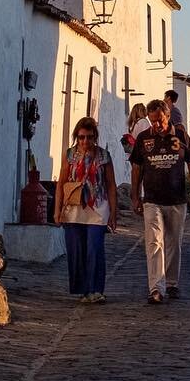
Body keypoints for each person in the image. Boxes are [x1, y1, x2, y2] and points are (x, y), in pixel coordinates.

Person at [130, 97, 190, 304]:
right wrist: (135, 195)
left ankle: (171, 283)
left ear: (168, 117)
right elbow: (136, 167)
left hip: (177, 199)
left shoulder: (180, 136)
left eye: (160, 120)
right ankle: (156, 287)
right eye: (152, 120)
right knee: (154, 242)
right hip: (152, 199)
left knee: (173, 243)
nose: (156, 125)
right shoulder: (144, 138)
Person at [53, 116, 118, 303]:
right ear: (76, 137)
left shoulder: (104, 156)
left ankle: (96, 289)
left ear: (94, 137)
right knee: (76, 250)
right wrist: (57, 210)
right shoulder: (69, 155)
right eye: (81, 137)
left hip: (97, 207)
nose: (85, 141)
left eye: (89, 137)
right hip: (73, 208)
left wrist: (113, 212)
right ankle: (83, 289)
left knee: (94, 248)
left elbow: (111, 185)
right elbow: (61, 183)